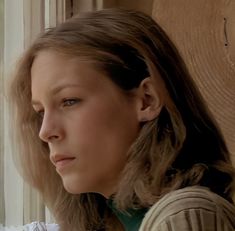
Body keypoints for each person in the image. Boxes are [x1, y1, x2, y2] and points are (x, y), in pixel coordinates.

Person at [8, 8, 235, 231]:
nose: (45, 131)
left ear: (147, 100)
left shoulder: (186, 218)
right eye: (40, 112)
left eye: (69, 101)